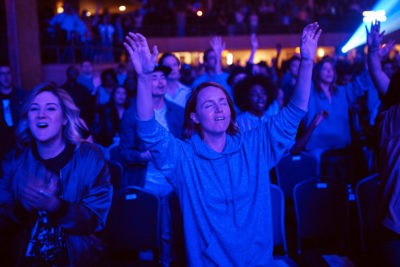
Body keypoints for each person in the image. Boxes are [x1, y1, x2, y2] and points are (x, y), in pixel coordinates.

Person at [124, 22, 321, 266]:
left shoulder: (254, 145)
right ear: (194, 117)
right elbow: (147, 129)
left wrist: (307, 62)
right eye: (209, 105)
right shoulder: (184, 157)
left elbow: (295, 110)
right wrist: (144, 77)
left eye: (223, 102)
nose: (219, 109)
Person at [0, 83, 113, 266]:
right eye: (34, 109)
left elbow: (97, 220)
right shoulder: (13, 160)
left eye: (51, 108)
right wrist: (23, 208)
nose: (41, 114)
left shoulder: (89, 157)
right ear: (27, 118)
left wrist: (57, 206)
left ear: (65, 119)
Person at [119, 64, 184, 266]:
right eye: (154, 77)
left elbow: (186, 145)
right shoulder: (132, 114)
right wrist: (144, 155)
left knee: (171, 231)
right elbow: (124, 152)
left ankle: (168, 261)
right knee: (145, 230)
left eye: (163, 77)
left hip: (173, 181)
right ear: (145, 83)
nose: (160, 82)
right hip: (145, 180)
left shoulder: (178, 112)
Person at [366, 21, 400, 267]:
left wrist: (374, 54)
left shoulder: (390, 116)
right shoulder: (394, 118)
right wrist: (374, 55)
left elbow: (377, 74)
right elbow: (378, 75)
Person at [0, 65, 26, 163]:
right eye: (2, 74)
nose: (6, 77)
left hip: (20, 138)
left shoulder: (22, 95)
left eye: (8, 73)